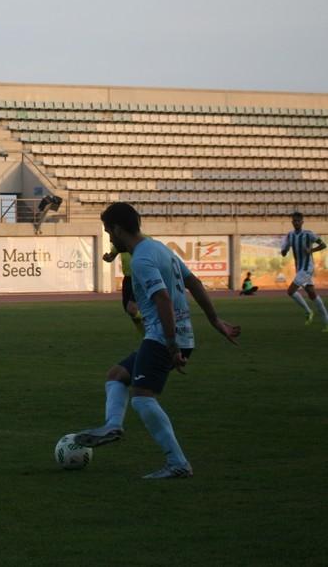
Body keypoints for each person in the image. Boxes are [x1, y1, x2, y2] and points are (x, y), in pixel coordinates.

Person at [74, 203, 240, 479]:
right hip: (171, 335)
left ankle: (177, 463)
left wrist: (172, 345)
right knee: (116, 376)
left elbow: (162, 297)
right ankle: (112, 425)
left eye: (108, 232)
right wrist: (215, 321)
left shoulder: (141, 258)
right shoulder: (161, 248)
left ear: (117, 228)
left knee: (142, 398)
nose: (110, 239)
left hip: (164, 336)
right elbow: (194, 282)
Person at [281, 212, 328, 331]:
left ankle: (308, 311)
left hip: (307, 268)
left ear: (302, 222)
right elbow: (285, 250)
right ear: (292, 222)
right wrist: (284, 251)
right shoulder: (290, 235)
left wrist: (311, 250)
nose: (296, 222)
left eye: (298, 220)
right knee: (312, 295)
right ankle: (327, 321)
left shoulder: (309, 234)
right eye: (294, 221)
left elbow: (323, 245)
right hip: (300, 269)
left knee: (290, 291)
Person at [103, 242, 145, 335]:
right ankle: (146, 330)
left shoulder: (145, 240)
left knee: (132, 308)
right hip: (128, 278)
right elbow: (111, 256)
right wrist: (107, 258)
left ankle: (148, 332)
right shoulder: (120, 243)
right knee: (128, 309)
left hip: (140, 277)